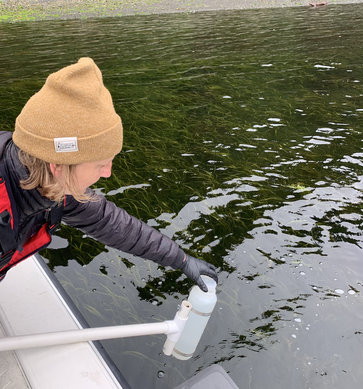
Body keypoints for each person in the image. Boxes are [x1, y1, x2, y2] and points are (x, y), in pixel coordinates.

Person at [0, 57, 218, 291]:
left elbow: (108, 221)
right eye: (99, 165)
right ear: (58, 165)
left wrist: (181, 260)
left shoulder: (51, 184)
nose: (107, 173)